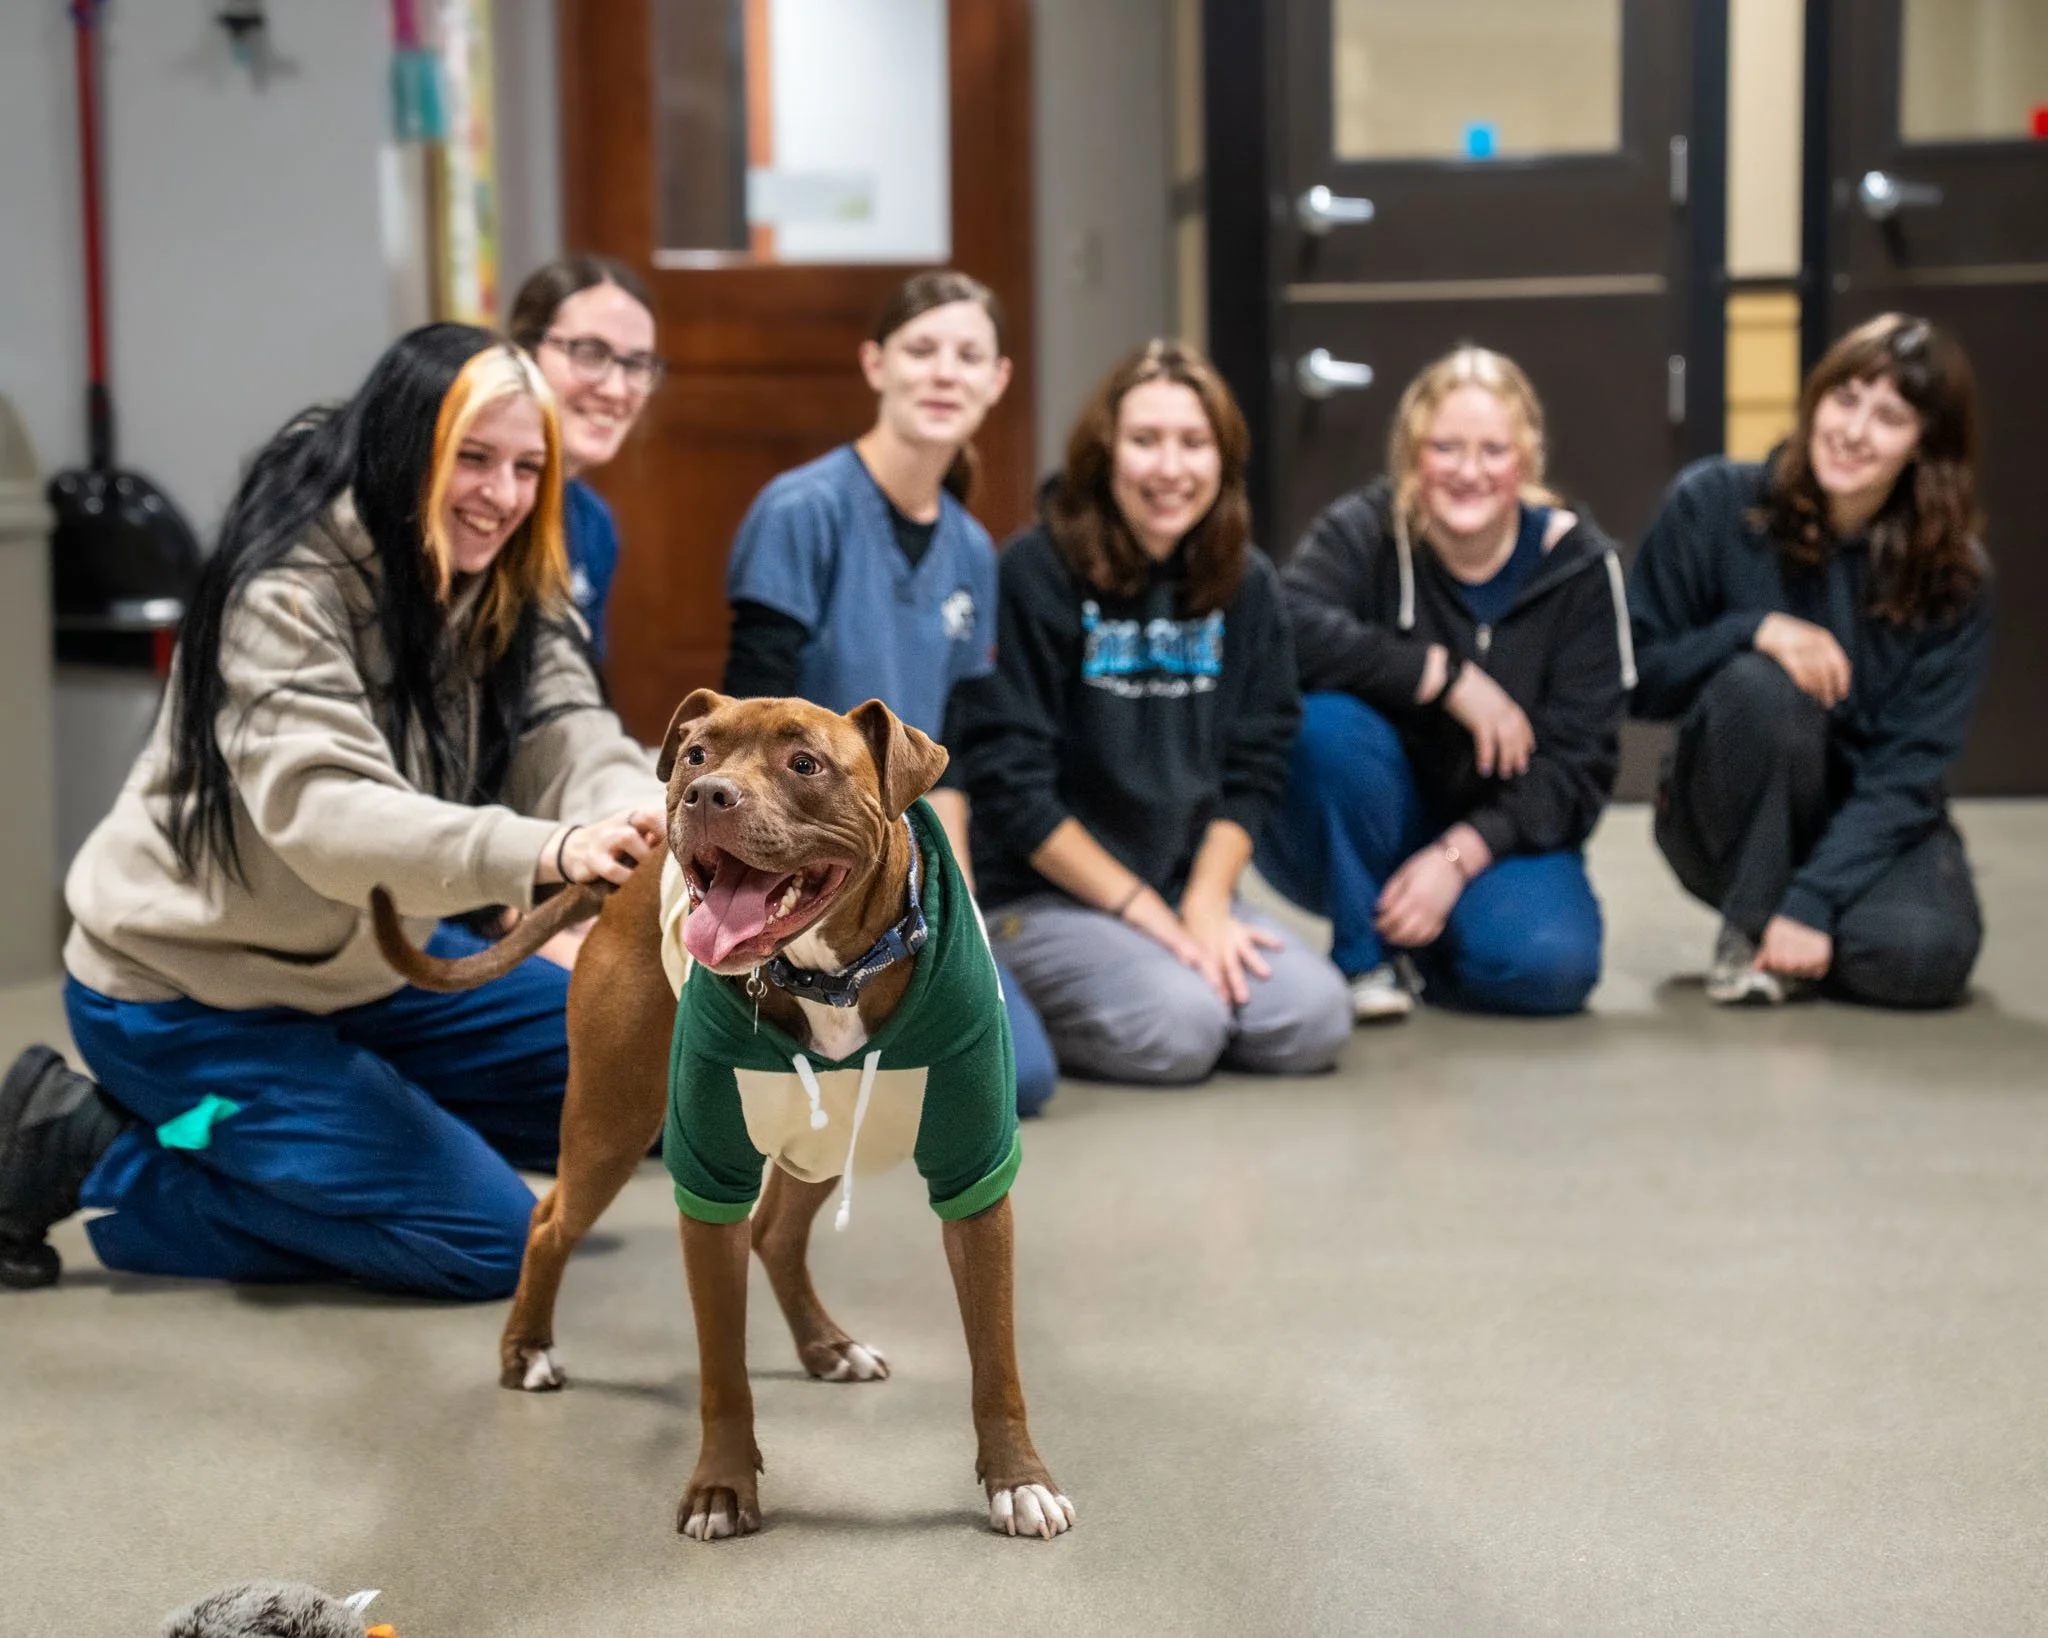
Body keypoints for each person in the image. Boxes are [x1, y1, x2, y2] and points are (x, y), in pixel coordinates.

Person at [0, 325, 665, 1295]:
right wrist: (553, 850)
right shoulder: (285, 585)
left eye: (527, 468)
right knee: (489, 1244)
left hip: (368, 972)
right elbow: (328, 817)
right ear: (402, 451)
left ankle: (349, 1138)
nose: (503, 496)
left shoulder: (510, 571)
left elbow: (571, 733)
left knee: (640, 1085)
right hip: (188, 998)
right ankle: (100, 1151)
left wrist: (640, 819)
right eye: (472, 460)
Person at [947, 338, 1351, 1085]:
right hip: (1042, 898)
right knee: (1179, 1029)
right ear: (1105, 456)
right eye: (1145, 441)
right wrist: (1154, 921)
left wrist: (1202, 904)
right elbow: (1012, 789)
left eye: (1193, 443)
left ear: (1223, 459)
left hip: (1176, 885)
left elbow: (1257, 762)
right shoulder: (1034, 572)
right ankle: (1046, 993)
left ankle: (1160, 977)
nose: (1170, 469)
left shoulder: (1247, 581)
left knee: (1312, 1019)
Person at [716, 269, 1060, 1116]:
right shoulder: (801, 512)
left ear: (998, 381)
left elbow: (964, 756)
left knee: (1026, 1076)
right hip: (786, 860)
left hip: (902, 871)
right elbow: (738, 733)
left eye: (968, 355)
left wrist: (963, 916)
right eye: (922, 350)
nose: (945, 372)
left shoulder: (974, 549)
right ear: (875, 364)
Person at [1260, 347, 1633, 1021]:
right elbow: (1283, 627)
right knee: (1328, 727)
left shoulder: (1581, 569)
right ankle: (1364, 956)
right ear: (1411, 454)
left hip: (1502, 831)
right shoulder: (1367, 531)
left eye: (1494, 451)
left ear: (1527, 460)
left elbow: (1580, 765)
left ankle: (1429, 937)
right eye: (1446, 448)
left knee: (1548, 969)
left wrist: (1457, 858)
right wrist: (1442, 675)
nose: (1469, 472)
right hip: (1373, 808)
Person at [1629, 313, 1988, 1008]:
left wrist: (1815, 898)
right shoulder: (1712, 503)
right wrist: (1753, 630)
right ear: (1814, 400)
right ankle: (1753, 919)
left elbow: (1910, 767)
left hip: (1862, 810)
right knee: (1763, 684)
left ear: (1924, 446)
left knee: (1921, 958)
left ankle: (1795, 924)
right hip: (1727, 805)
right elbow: (1638, 676)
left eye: (1889, 417)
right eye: (1844, 399)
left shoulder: (1953, 578)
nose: (1854, 432)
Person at [507, 253, 664, 665]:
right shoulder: (471, 504)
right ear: (525, 351)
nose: (616, 389)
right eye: (590, 353)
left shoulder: (593, 524)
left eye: (637, 365)